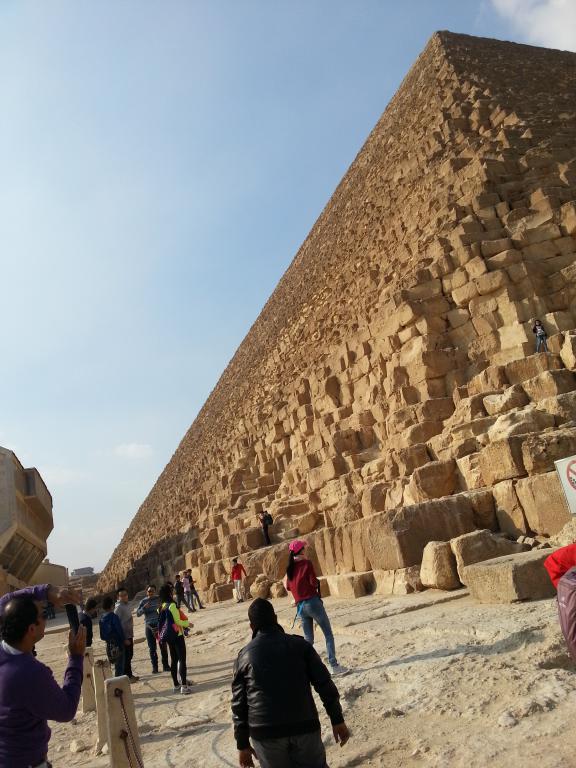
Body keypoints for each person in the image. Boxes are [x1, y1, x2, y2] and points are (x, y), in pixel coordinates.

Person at [232, 598, 350, 768]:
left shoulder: (244, 656)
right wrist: (337, 719)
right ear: (276, 618)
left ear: (251, 626)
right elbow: (324, 684)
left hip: (266, 734)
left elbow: (239, 704)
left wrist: (242, 744)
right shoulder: (300, 646)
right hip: (304, 726)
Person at [0, 583, 86, 768]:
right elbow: (66, 710)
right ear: (32, 629)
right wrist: (76, 658)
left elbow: (5, 602)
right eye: (44, 615)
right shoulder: (29, 673)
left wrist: (47, 592)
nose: (46, 618)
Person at [285, 540, 347, 676]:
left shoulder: (289, 568)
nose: (305, 551)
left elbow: (288, 586)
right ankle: (334, 665)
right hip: (312, 603)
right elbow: (313, 582)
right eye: (304, 549)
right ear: (300, 551)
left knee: (308, 639)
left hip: (300, 607)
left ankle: (304, 668)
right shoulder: (306, 564)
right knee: (328, 634)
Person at [158, 584, 193, 694]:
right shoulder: (172, 606)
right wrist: (188, 624)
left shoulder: (162, 606)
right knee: (182, 660)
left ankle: (176, 685)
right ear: (169, 593)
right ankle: (184, 686)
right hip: (177, 636)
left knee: (174, 660)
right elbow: (177, 621)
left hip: (168, 636)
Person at [136, 584, 170, 673]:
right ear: (146, 592)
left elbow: (166, 608)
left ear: (155, 591)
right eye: (149, 591)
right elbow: (138, 614)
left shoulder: (159, 599)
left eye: (152, 591)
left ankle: (166, 666)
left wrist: (162, 607)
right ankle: (155, 667)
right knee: (152, 648)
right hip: (149, 627)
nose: (151, 592)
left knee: (163, 645)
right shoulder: (143, 601)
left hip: (159, 625)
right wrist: (144, 608)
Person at [114, 587, 138, 682]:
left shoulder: (126, 604)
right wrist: (123, 638)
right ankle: (127, 677)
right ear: (118, 597)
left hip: (129, 634)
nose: (124, 597)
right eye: (122, 595)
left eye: (126, 595)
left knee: (129, 655)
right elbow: (116, 624)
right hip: (124, 636)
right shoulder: (118, 607)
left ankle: (129, 675)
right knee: (126, 657)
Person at [100, 595, 126, 677]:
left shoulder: (101, 619)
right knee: (119, 667)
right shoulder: (114, 617)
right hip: (117, 644)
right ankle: (118, 685)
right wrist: (124, 640)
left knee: (113, 666)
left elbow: (102, 636)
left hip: (108, 645)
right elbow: (119, 630)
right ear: (112, 606)